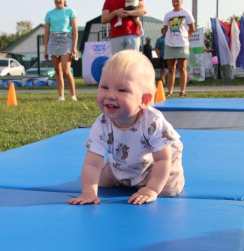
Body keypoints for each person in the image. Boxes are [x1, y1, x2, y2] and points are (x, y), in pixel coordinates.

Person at [68, 50, 184, 206]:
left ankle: (149, 182)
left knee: (168, 188)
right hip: (122, 163)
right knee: (100, 181)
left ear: (144, 100)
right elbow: (92, 163)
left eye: (121, 90)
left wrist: (152, 189)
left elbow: (162, 159)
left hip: (154, 165)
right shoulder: (102, 124)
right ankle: (127, 177)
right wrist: (89, 192)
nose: (110, 95)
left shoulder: (152, 121)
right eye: (104, 87)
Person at [44, 0, 78, 101]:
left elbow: (75, 30)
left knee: (66, 70)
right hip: (53, 39)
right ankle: (61, 96)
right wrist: (46, 49)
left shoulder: (70, 11)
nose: (58, 1)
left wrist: (74, 47)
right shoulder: (49, 14)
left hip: (66, 39)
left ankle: (73, 95)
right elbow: (46, 32)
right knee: (57, 70)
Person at [163, 0, 195, 97]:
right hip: (170, 43)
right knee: (171, 68)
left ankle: (182, 91)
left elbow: (192, 28)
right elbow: (165, 29)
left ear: (182, 2)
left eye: (177, 1)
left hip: (182, 44)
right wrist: (169, 38)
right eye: (174, 1)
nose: (175, 3)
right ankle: (170, 91)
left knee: (182, 67)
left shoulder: (186, 13)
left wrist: (186, 37)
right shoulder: (168, 14)